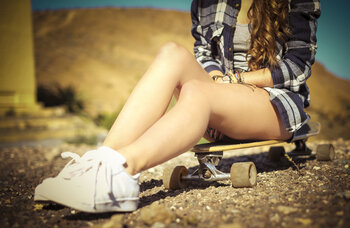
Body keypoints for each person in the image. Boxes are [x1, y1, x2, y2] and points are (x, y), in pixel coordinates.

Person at [34, 0, 321, 213]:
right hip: (221, 96)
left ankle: (122, 172)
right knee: (171, 53)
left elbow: (297, 66)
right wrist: (218, 79)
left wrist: (234, 80)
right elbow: (203, 54)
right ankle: (101, 163)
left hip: (275, 102)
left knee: (197, 90)